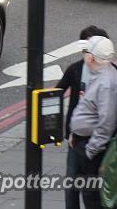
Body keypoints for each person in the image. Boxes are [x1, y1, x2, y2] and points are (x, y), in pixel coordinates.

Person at [57, 26, 109, 209]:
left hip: (101, 141)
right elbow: (57, 93)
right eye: (85, 45)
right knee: (72, 183)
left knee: (95, 186)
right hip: (76, 139)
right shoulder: (75, 69)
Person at [69, 35, 117, 209]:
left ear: (91, 56)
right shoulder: (103, 73)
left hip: (92, 148)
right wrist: (75, 134)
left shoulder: (106, 83)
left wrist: (90, 151)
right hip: (85, 142)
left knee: (92, 197)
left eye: (86, 51)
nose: (84, 55)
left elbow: (106, 123)